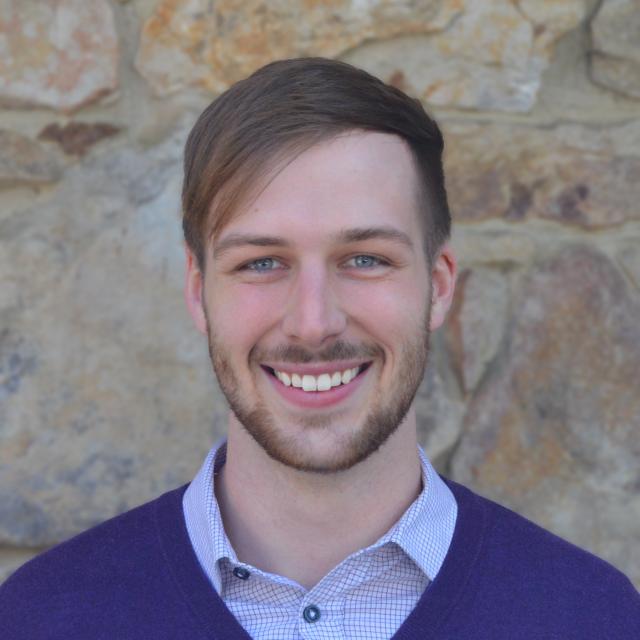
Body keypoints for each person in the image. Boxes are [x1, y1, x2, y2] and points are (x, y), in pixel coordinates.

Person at [1, 57, 638, 640]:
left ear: (438, 287)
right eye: (261, 263)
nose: (313, 323)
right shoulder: (39, 618)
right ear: (199, 294)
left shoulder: (595, 619)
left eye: (364, 258)